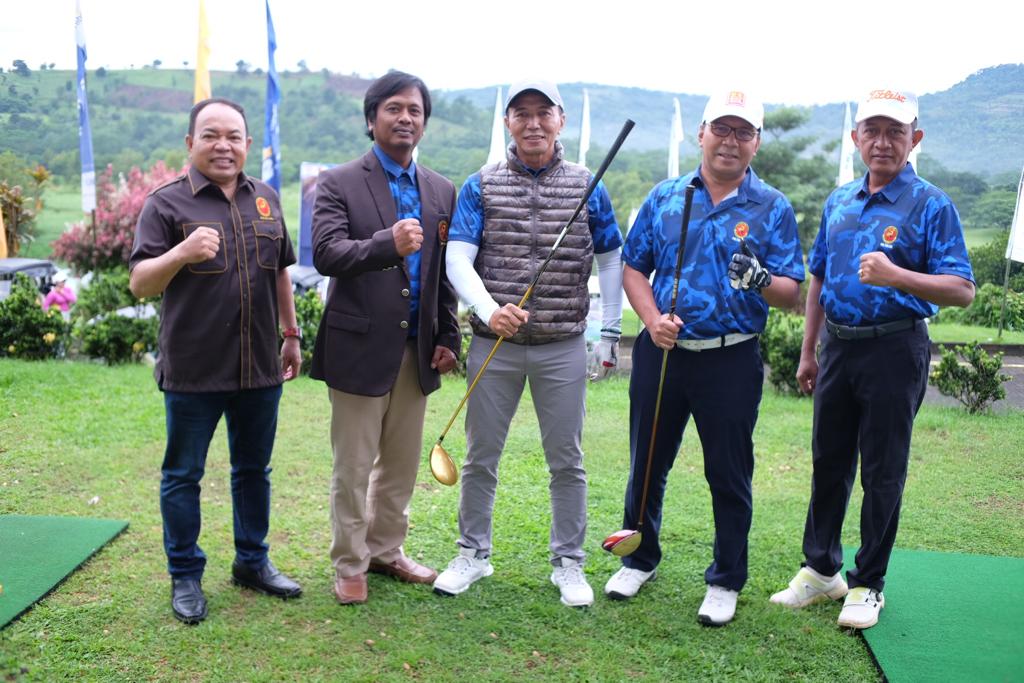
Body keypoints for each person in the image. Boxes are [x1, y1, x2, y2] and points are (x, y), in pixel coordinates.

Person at [770, 89, 975, 629]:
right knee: (828, 462)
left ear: (915, 139)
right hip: (837, 346)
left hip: (895, 346)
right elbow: (817, 276)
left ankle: (868, 584)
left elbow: (961, 290)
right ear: (855, 137)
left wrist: (896, 275)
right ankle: (820, 571)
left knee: (883, 470)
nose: (883, 143)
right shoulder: (840, 200)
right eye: (873, 131)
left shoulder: (932, 204)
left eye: (896, 132)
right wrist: (810, 350)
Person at [606, 90, 804, 626]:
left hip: (731, 358)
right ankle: (639, 557)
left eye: (744, 132)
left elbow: (793, 294)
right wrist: (650, 320)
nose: (731, 140)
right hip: (662, 352)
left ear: (756, 143)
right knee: (647, 461)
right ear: (702, 132)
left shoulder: (772, 206)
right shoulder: (667, 196)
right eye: (723, 128)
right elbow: (633, 267)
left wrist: (761, 280)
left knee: (728, 471)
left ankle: (725, 578)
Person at [433, 79, 624, 608]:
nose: (533, 123)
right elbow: (458, 259)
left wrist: (609, 329)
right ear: (507, 123)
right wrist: (490, 310)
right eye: (522, 113)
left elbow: (610, 258)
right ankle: (472, 553)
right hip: (495, 344)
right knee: (480, 456)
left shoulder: (590, 184)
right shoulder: (481, 185)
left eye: (544, 113)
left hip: (562, 342)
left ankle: (569, 562)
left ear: (561, 120)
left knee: (566, 458)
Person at [129, 97, 303, 625]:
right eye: (211, 135)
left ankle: (252, 561)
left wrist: (291, 333)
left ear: (248, 144)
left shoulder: (267, 200)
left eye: (234, 136)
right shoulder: (165, 205)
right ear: (190, 143)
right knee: (183, 474)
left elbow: (279, 272)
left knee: (254, 471)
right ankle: (185, 575)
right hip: (194, 370)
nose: (223, 145)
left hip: (259, 368)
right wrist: (181, 253)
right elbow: (140, 283)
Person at [309, 71, 460, 606]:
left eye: (415, 110)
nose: (406, 118)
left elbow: (443, 273)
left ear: (424, 122)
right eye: (394, 108)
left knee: (398, 465)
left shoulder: (442, 189)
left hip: (416, 350)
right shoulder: (339, 182)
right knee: (353, 466)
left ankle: (386, 550)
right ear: (371, 119)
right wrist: (386, 243)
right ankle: (349, 563)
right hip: (357, 346)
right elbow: (326, 254)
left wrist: (448, 336)